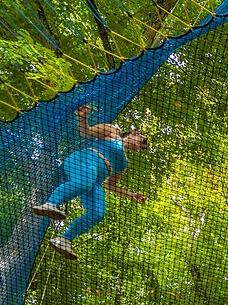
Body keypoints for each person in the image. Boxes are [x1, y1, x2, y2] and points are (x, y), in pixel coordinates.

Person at [32, 105, 148, 260]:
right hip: (82, 161)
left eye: (142, 147)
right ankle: (51, 203)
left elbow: (109, 185)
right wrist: (82, 117)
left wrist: (131, 195)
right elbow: (86, 132)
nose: (140, 147)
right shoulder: (112, 131)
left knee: (98, 213)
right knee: (84, 182)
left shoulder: (124, 164)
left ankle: (64, 240)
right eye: (142, 141)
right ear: (134, 133)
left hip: (94, 181)